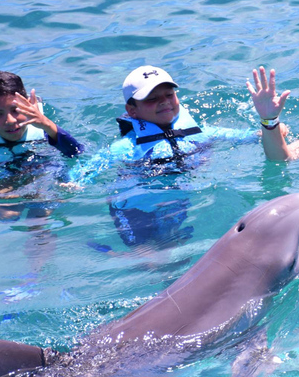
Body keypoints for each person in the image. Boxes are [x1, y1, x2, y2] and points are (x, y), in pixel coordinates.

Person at [71, 65, 260, 252]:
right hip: (135, 208)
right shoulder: (127, 147)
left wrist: (264, 131)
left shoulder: (199, 133)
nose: (164, 102)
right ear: (132, 110)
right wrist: (71, 183)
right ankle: (109, 253)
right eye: (152, 99)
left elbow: (243, 136)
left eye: (169, 95)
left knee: (176, 253)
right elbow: (89, 169)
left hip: (176, 202)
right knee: (147, 259)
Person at [0, 71, 83, 177]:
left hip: (43, 170)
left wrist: (46, 124)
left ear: (29, 106)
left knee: (44, 195)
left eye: (16, 110)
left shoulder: (45, 132)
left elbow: (76, 152)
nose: (10, 120)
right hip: (5, 177)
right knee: (4, 202)